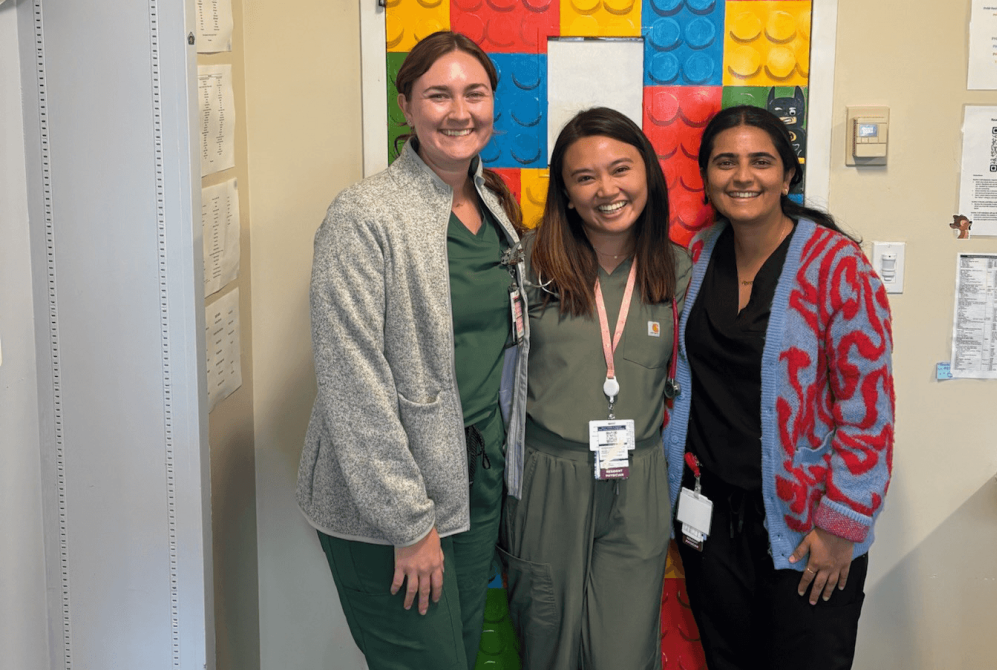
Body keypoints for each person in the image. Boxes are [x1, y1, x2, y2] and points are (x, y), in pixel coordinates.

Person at [295, 31, 529, 670]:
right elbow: (353, 381)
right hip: (393, 500)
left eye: (474, 93)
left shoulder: (492, 206)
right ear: (407, 106)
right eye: (438, 94)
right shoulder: (364, 216)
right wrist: (407, 522)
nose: (459, 111)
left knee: (456, 652)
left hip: (472, 480)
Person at [662, 105, 894, 670]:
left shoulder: (838, 265)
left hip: (807, 528)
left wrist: (842, 524)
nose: (743, 176)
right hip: (709, 522)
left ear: (787, 175)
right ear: (708, 176)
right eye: (726, 162)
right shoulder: (697, 255)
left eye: (760, 161)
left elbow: (869, 410)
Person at [498, 107, 691, 670]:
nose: (607, 189)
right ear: (565, 192)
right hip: (546, 476)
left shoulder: (676, 269)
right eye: (585, 177)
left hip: (639, 479)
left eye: (620, 170)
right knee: (549, 645)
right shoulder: (530, 264)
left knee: (625, 653)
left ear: (648, 176)